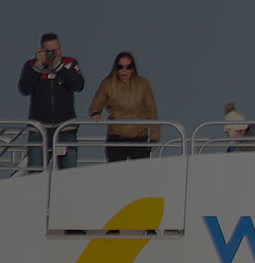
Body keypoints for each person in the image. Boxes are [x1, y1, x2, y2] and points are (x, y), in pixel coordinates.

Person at [16, 32, 83, 169]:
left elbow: (78, 85)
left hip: (66, 129)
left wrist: (59, 67)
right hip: (39, 130)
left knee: (67, 175)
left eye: (57, 49)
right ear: (42, 51)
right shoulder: (31, 65)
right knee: (35, 173)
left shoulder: (69, 63)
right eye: (50, 51)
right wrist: (38, 67)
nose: (55, 54)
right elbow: (24, 89)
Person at [87, 52, 159, 161]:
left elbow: (151, 111)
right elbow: (98, 100)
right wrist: (95, 113)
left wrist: (154, 137)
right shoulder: (108, 84)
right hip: (117, 137)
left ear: (133, 68)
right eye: (120, 67)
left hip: (139, 137)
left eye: (128, 67)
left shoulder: (143, 84)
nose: (124, 71)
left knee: (140, 174)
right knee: (116, 174)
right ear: (116, 69)